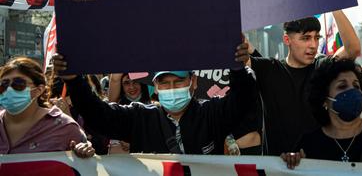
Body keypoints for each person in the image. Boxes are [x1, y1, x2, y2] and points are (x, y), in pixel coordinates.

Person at [51, 40, 257, 154]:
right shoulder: (140, 117)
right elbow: (98, 115)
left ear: (193, 82)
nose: (172, 88)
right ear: (155, 87)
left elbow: (244, 99)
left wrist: (238, 68)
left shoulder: (212, 113)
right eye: (165, 83)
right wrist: (74, 80)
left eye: (178, 82)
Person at [250, 10, 361, 156]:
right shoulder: (269, 69)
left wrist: (336, 7)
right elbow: (235, 53)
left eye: (316, 38)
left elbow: (353, 49)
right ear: (287, 39)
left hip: (318, 164)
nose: (313, 45)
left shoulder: (322, 67)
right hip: (277, 167)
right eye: (306, 38)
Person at [280, 58, 362, 174]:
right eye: (342, 86)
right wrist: (291, 163)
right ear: (324, 99)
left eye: (356, 86)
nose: (352, 91)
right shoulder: (308, 144)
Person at [0, 57, 93, 157]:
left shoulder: (64, 127)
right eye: (3, 84)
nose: (8, 89)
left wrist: (84, 153)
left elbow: (86, 166)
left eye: (18, 83)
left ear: (39, 90)